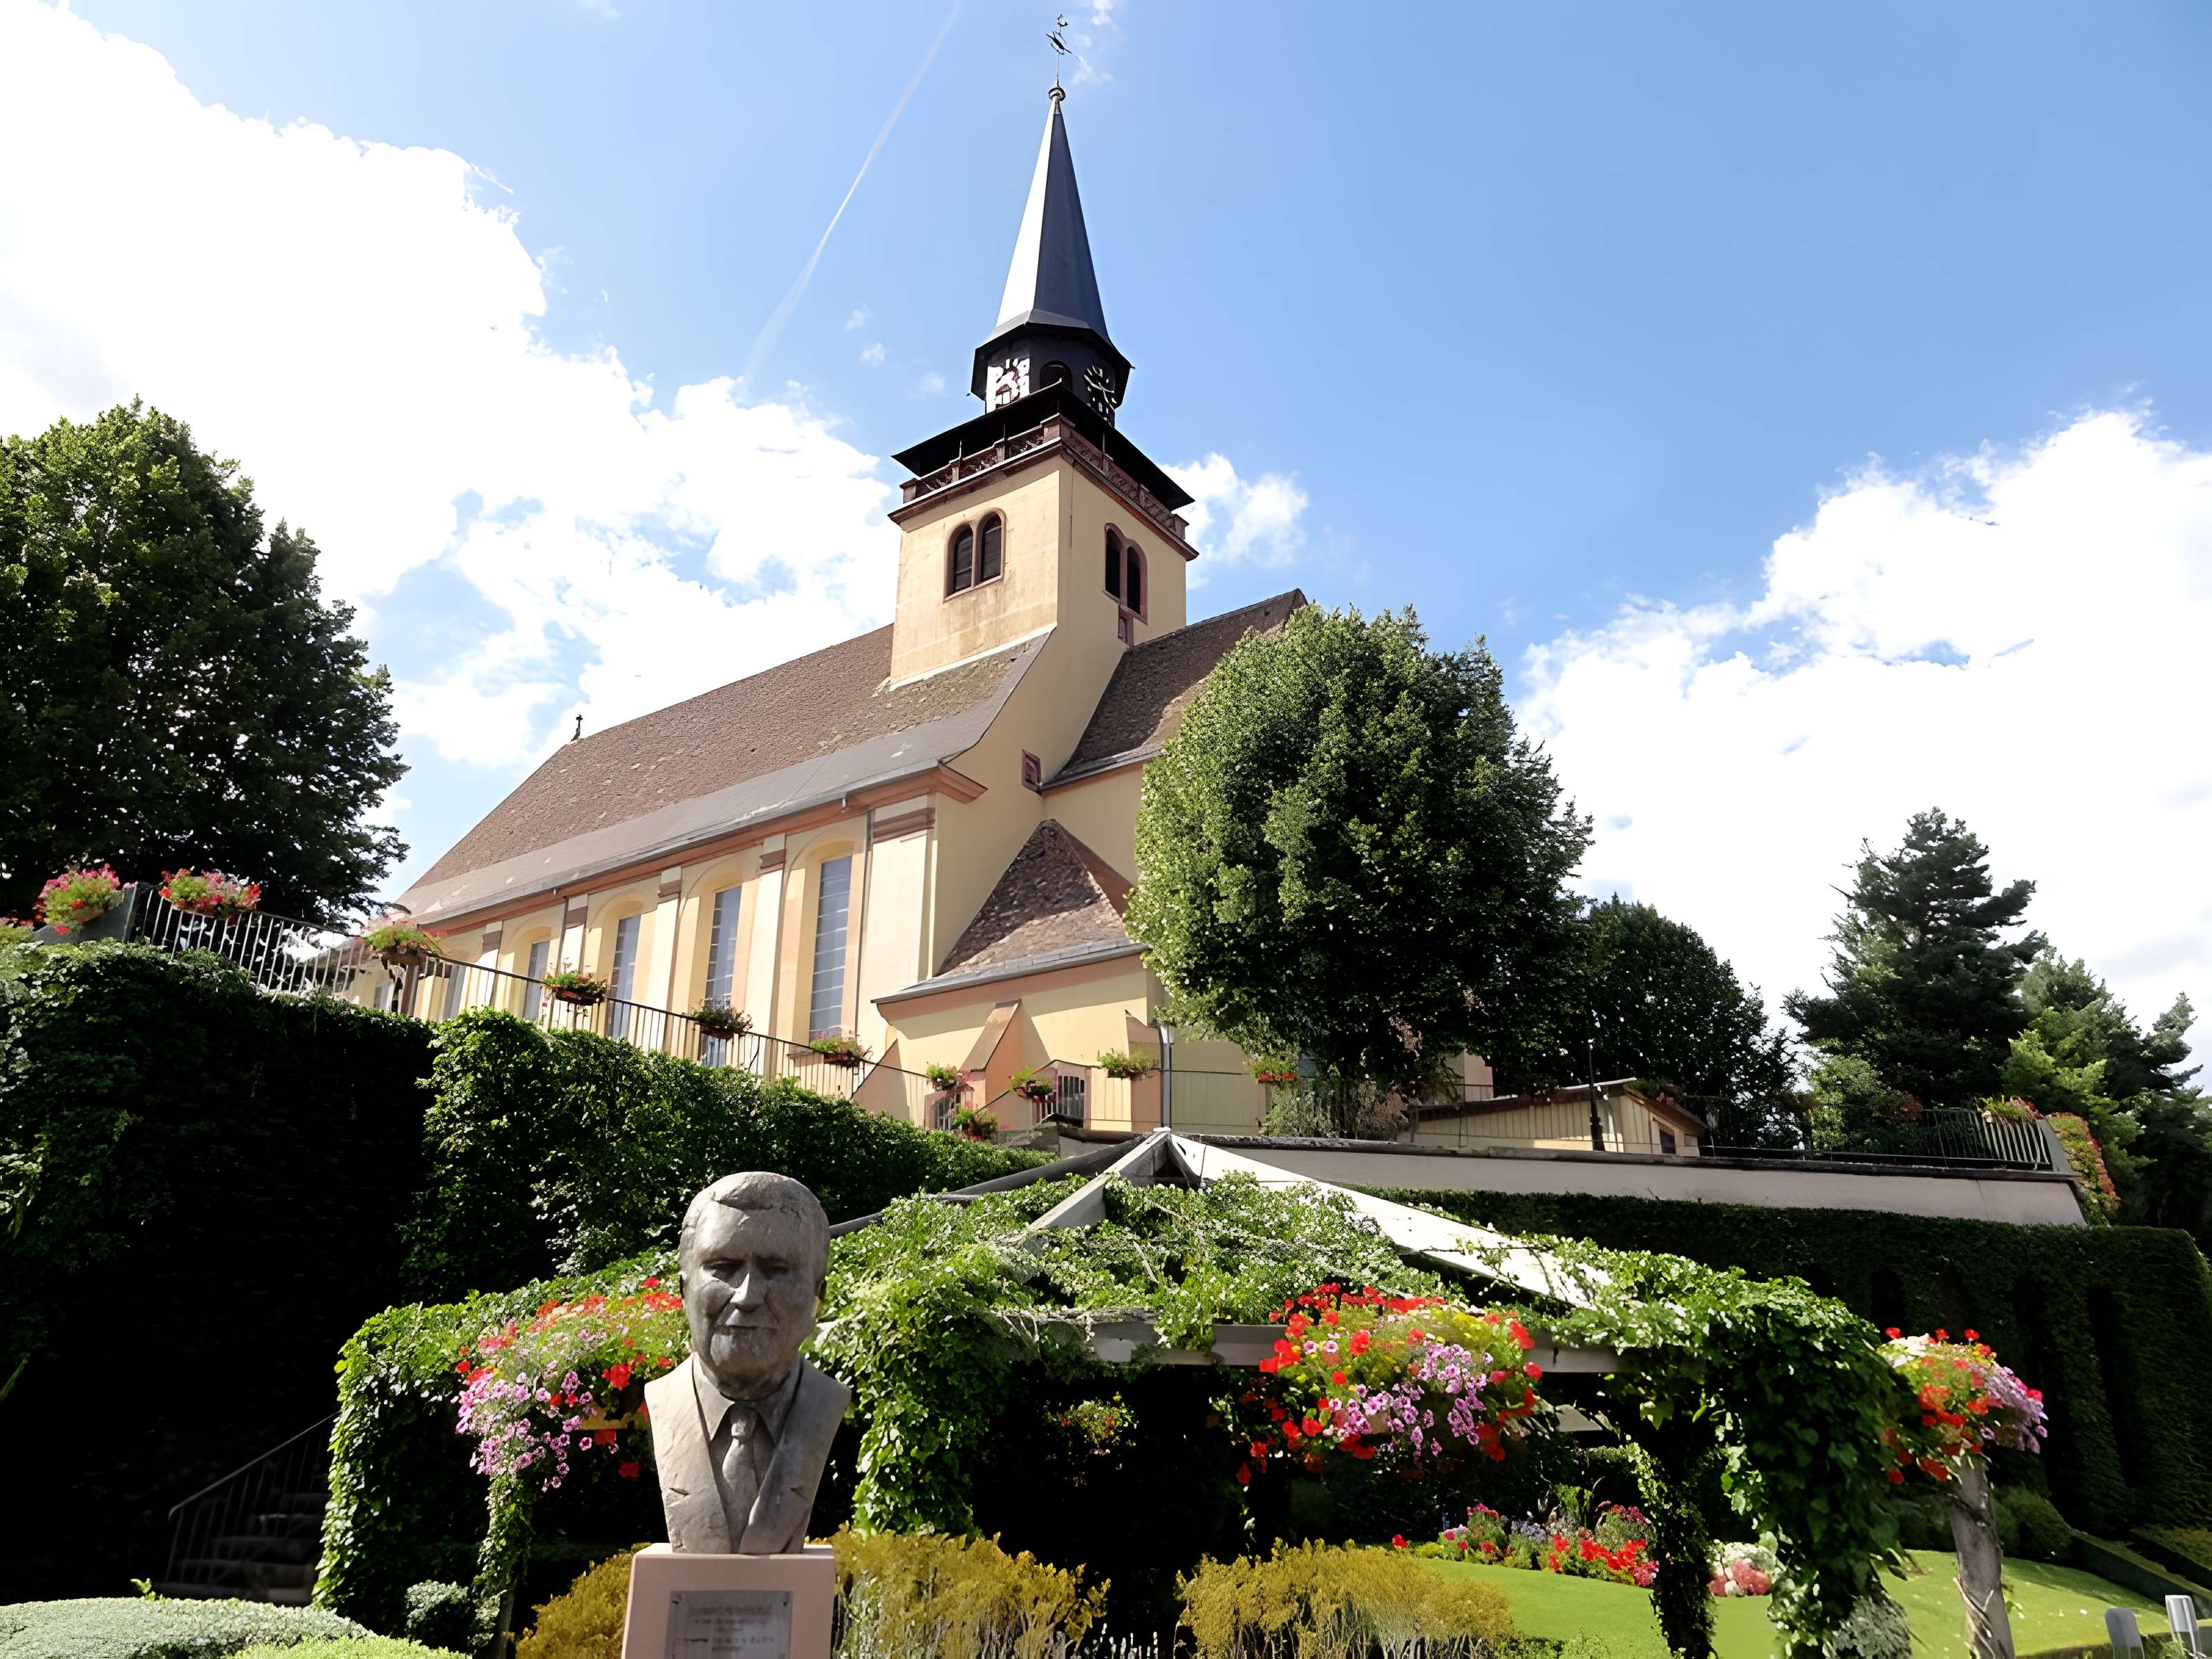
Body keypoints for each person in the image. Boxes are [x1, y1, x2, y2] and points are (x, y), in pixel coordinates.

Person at [643, 1172, 851, 1553]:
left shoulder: (827, 1405)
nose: (747, 1295)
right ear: (684, 1288)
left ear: (818, 1293)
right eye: (723, 1267)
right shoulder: (662, 1403)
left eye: (776, 1271)